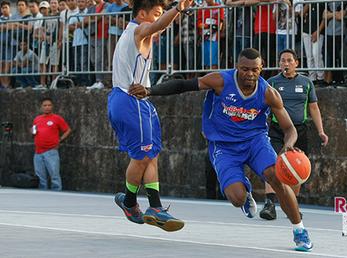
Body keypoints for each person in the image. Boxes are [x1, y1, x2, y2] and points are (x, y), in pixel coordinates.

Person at [128, 48, 314, 252]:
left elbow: (290, 129)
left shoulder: (269, 93)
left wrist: (287, 147)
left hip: (255, 142)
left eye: (254, 70)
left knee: (275, 177)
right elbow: (183, 85)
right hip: (224, 146)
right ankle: (244, 192)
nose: (249, 74)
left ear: (261, 69)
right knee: (236, 198)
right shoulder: (220, 81)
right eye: (245, 69)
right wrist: (150, 90)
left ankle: (300, 231)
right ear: (237, 67)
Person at [108, 0, 195, 231]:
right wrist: (178, 8)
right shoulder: (138, 30)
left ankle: (154, 206)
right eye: (156, 14)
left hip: (136, 100)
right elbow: (155, 27)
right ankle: (129, 201)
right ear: (143, 14)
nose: (159, 19)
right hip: (129, 100)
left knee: (151, 154)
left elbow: (157, 28)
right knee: (143, 155)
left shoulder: (139, 34)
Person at [259, 49, 328, 220]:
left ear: (296, 63)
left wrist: (321, 131)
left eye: (290, 60)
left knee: (297, 165)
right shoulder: (272, 83)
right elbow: (262, 107)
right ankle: (269, 203)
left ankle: (293, 204)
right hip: (276, 129)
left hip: (299, 130)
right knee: (271, 164)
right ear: (280, 63)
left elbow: (313, 107)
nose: (286, 64)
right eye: (283, 60)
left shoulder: (306, 83)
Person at [32, 97, 71, 191]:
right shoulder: (37, 119)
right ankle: (42, 193)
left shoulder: (57, 118)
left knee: (54, 175)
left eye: (49, 105)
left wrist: (60, 139)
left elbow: (67, 130)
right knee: (40, 176)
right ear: (41, 107)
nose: (47, 107)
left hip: (51, 151)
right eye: (45, 105)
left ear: (52, 107)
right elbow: (33, 131)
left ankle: (57, 193)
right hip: (38, 151)